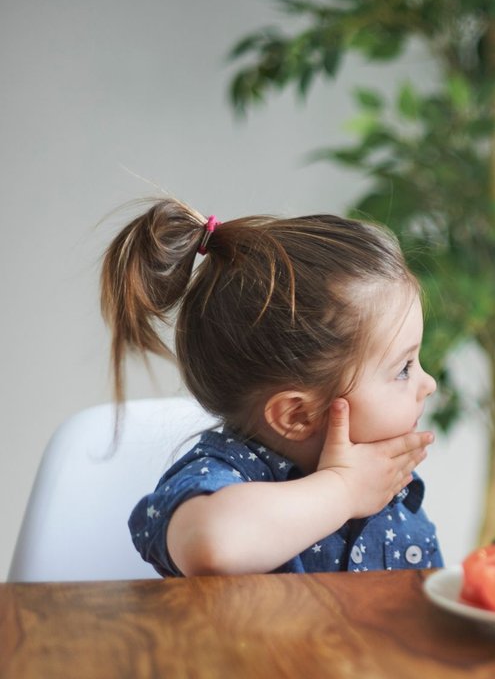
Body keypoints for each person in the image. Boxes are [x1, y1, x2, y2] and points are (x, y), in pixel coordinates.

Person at [102, 198, 442, 576]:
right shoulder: (223, 476)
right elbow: (212, 543)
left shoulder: (387, 489)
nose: (428, 384)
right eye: (404, 368)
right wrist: (343, 490)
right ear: (297, 415)